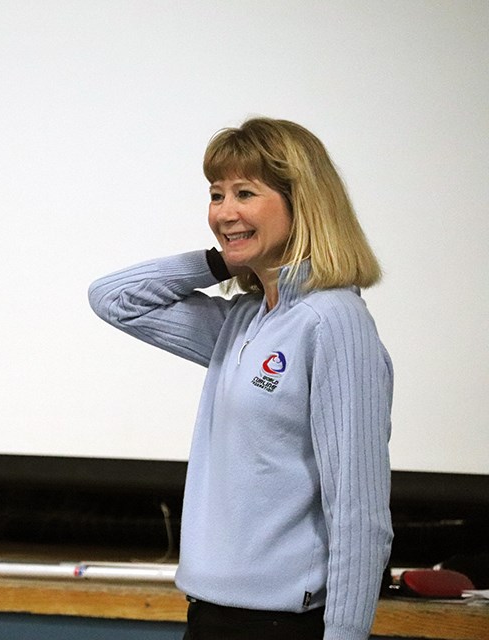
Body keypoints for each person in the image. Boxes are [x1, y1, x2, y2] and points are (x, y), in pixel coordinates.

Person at [88, 117, 392, 640]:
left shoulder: (334, 321)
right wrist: (222, 260)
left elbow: (358, 510)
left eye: (245, 193)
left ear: (303, 203)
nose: (224, 213)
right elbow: (113, 298)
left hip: (282, 623)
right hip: (211, 611)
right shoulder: (244, 321)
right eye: (216, 194)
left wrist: (345, 636)